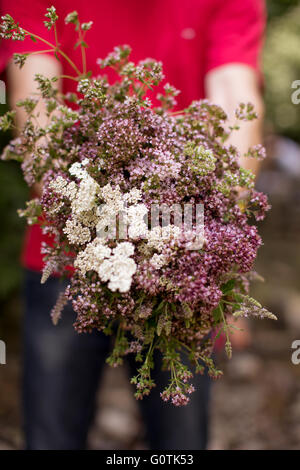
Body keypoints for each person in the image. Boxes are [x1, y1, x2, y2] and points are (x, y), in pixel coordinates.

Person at [0, 0, 265, 450]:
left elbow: (234, 94)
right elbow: (36, 105)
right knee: (51, 433)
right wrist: (90, 211)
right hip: (68, 253)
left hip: (182, 258)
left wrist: (220, 206)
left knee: (179, 441)